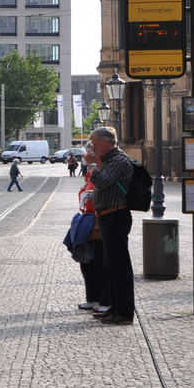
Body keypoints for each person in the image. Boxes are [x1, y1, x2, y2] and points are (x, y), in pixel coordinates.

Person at [84, 127, 135, 324]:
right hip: (107, 217)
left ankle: (124, 312)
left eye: (95, 144)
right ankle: (114, 306)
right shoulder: (108, 160)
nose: (94, 148)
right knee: (110, 266)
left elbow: (103, 182)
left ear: (106, 142)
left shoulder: (118, 160)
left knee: (120, 267)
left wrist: (92, 166)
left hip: (116, 217)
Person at [74, 167, 108, 314]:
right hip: (88, 223)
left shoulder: (102, 172)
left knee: (99, 264)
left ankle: (104, 299)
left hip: (97, 223)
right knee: (87, 263)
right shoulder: (90, 175)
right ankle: (92, 298)